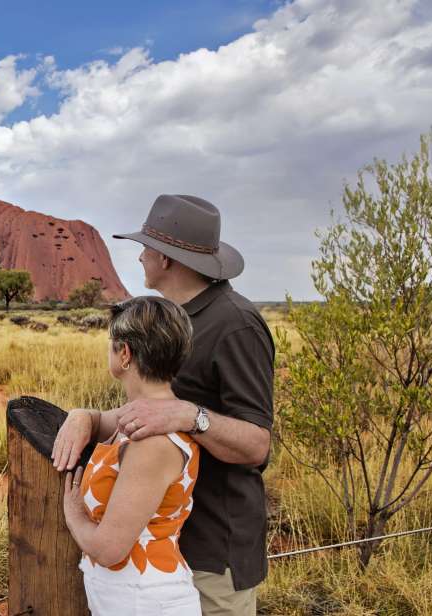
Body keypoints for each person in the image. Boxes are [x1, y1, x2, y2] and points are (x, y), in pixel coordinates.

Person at [53, 194, 274, 616]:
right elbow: (148, 412)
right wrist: (87, 417)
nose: (139, 258)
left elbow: (257, 444)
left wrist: (192, 416)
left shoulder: (235, 324)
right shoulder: (174, 320)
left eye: (145, 247)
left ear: (167, 258)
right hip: (160, 547)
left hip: (212, 552)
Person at [61, 295, 202, 615]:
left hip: (146, 601)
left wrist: (74, 515)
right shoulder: (142, 416)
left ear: (125, 353)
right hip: (133, 598)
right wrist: (81, 415)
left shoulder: (152, 442)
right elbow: (100, 420)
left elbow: (109, 549)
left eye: (112, 343)